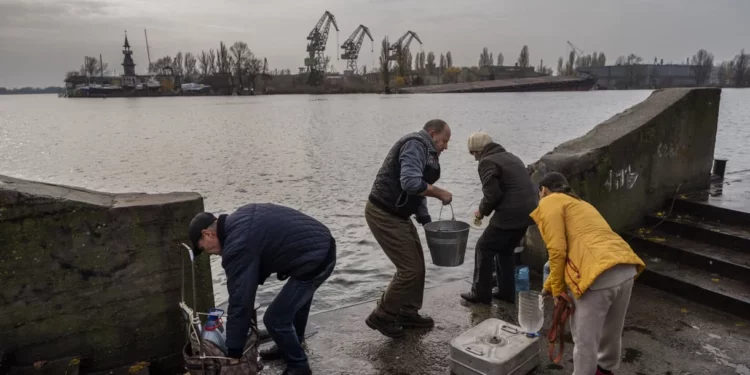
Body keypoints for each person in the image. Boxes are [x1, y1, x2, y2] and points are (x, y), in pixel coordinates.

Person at [189, 203, 337, 375]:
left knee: (275, 319)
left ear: (208, 234)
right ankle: (289, 346)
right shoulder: (239, 218)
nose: (208, 253)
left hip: (316, 259)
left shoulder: (238, 244)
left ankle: (299, 367)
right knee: (295, 307)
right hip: (320, 245)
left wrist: (234, 350)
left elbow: (240, 300)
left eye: (202, 248)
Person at [531, 172, 645, 375]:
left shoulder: (549, 202)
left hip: (595, 277)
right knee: (610, 335)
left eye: (539, 194)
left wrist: (558, 291)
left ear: (544, 190)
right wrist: (549, 286)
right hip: (625, 267)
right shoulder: (582, 204)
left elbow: (557, 250)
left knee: (585, 342)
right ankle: (605, 371)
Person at [364, 119, 453, 338]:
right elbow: (411, 183)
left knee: (419, 266)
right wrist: (441, 192)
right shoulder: (415, 144)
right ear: (432, 133)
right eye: (444, 140)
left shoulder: (429, 151)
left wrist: (425, 219)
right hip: (383, 212)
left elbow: (418, 191)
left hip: (400, 213)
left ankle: (407, 311)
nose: (446, 146)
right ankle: (382, 315)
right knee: (409, 269)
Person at [459, 131, 538, 304]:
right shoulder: (511, 157)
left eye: (474, 153)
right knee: (505, 250)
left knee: (484, 247)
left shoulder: (487, 162)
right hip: (529, 213)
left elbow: (492, 195)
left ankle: (480, 294)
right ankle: (506, 291)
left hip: (511, 214)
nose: (474, 159)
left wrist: (481, 212)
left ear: (480, 151)